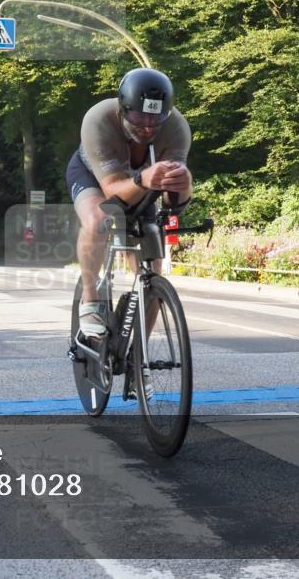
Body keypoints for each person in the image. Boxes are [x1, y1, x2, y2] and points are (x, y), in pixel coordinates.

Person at [65, 68, 192, 396]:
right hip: (96, 178)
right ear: (122, 110)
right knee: (98, 219)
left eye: (155, 120)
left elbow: (173, 202)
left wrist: (183, 186)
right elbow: (111, 195)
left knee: (153, 270)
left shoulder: (176, 127)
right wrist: (142, 179)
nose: (147, 128)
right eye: (138, 120)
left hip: (143, 183)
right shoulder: (98, 119)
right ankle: (91, 300)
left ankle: (139, 356)